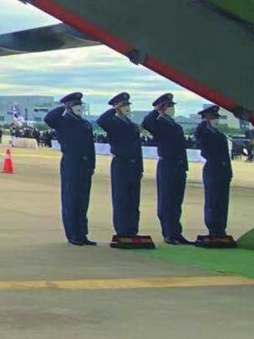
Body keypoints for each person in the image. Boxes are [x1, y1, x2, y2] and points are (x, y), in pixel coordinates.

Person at [45, 93, 96, 245]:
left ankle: (82, 233)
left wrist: (92, 165)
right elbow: (49, 119)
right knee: (71, 199)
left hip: (85, 165)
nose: (79, 107)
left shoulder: (85, 124)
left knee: (83, 201)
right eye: (75, 104)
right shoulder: (62, 121)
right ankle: (72, 234)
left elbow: (90, 147)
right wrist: (63, 106)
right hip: (71, 163)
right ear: (69, 106)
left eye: (79, 104)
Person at [143, 93, 193, 245]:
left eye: (172, 106)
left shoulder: (175, 125)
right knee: (166, 202)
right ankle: (168, 234)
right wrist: (155, 110)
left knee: (177, 202)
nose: (172, 109)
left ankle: (177, 233)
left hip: (179, 166)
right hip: (167, 165)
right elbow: (146, 123)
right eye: (168, 106)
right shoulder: (157, 123)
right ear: (162, 109)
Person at [96, 93, 144, 243]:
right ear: (117, 108)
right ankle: (122, 230)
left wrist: (140, 168)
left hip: (134, 165)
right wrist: (114, 109)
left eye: (128, 105)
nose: (127, 108)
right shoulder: (113, 123)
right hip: (121, 164)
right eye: (124, 106)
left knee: (133, 200)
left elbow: (137, 148)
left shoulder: (131, 125)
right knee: (121, 199)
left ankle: (132, 230)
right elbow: (101, 121)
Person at [195, 105, 233, 237]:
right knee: (212, 200)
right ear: (206, 119)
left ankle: (221, 228)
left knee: (222, 202)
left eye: (216, 117)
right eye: (212, 118)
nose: (216, 120)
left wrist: (229, 172)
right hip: (213, 169)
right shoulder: (204, 133)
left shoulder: (220, 135)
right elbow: (200, 137)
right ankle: (212, 227)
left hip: (223, 171)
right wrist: (203, 124)